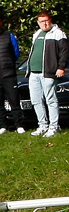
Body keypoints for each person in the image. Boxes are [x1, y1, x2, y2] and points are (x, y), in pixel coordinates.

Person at [25, 10, 68, 138]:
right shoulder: (37, 34)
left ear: (50, 21)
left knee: (51, 99)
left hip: (48, 72)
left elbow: (64, 52)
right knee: (36, 100)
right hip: (33, 73)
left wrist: (61, 67)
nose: (44, 24)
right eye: (42, 21)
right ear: (38, 23)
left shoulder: (58, 33)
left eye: (46, 21)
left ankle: (54, 126)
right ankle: (42, 125)